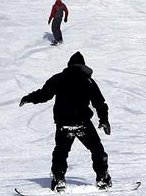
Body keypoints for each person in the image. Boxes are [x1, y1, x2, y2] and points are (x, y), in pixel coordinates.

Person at [19, 52, 111, 192]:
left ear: (69, 65)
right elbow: (99, 102)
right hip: (82, 123)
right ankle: (102, 178)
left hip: (64, 123)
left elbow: (44, 95)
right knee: (97, 150)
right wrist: (104, 120)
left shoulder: (58, 78)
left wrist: (28, 98)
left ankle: (58, 180)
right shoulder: (87, 80)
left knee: (61, 152)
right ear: (82, 66)